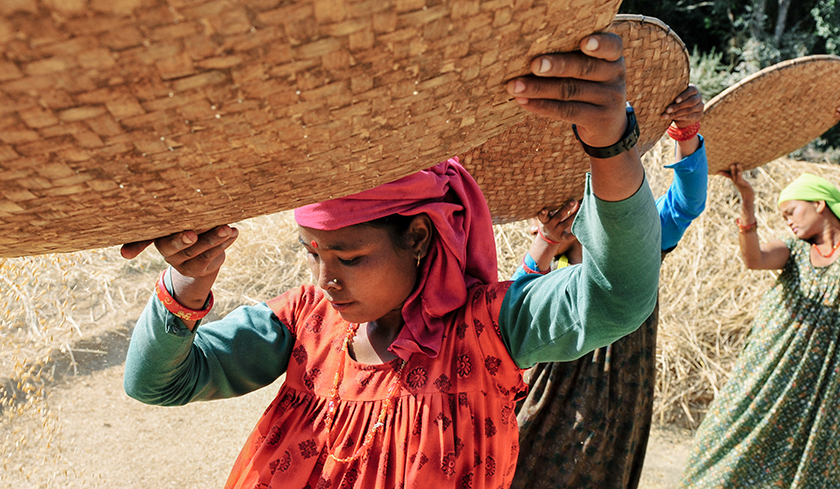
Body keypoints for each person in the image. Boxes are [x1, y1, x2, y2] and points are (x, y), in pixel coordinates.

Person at [120, 32, 663, 489]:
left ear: (420, 236)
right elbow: (156, 383)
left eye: (350, 257)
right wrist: (189, 278)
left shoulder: (486, 333)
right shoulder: (305, 325)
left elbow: (617, 296)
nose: (325, 279)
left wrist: (610, 144)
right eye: (313, 254)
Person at [677, 94, 840, 488]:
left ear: (820, 203)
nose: (789, 222)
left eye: (791, 212)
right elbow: (755, 258)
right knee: (722, 450)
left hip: (825, 389)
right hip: (768, 371)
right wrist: (747, 203)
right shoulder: (795, 252)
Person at [510, 85, 708, 489]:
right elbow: (515, 308)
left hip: (623, 398)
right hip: (554, 401)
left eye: (553, 208)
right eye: (541, 216)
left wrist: (686, 134)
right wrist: (543, 244)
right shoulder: (547, 272)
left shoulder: (637, 245)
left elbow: (686, 204)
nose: (540, 220)